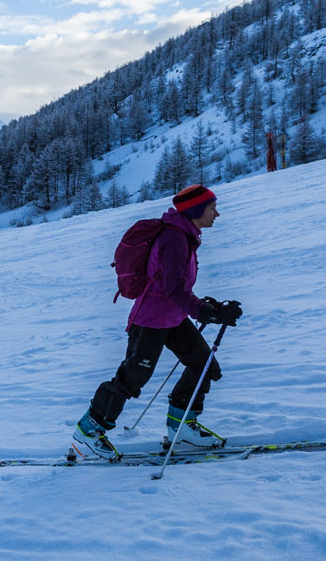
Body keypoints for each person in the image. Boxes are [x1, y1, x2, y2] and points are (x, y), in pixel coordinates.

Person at [75, 184, 243, 459]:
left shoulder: (184, 235)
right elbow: (173, 290)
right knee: (132, 378)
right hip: (151, 320)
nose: (217, 214)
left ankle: (181, 428)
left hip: (172, 318)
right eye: (212, 208)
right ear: (196, 210)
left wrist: (209, 307)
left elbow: (175, 287)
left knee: (204, 367)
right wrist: (207, 312)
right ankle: (88, 431)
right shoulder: (175, 239)